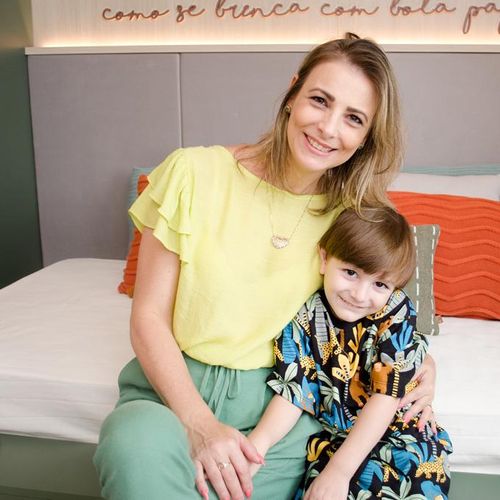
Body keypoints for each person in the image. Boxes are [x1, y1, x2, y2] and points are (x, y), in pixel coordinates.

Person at [94, 33, 438, 500]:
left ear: (366, 137)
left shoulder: (355, 217)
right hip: (170, 398)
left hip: (283, 414)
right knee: (133, 449)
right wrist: (199, 424)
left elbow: (381, 316)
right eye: (320, 100)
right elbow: (148, 315)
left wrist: (425, 364)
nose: (328, 128)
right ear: (293, 93)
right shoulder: (192, 173)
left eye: (354, 118)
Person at [247, 207, 453, 500]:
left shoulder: (395, 312)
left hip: (400, 436)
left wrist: (339, 472)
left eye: (379, 284)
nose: (359, 295)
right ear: (324, 259)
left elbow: (386, 397)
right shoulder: (306, 315)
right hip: (334, 441)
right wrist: (257, 446)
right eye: (350, 273)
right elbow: (294, 392)